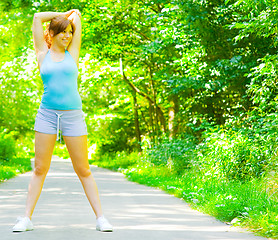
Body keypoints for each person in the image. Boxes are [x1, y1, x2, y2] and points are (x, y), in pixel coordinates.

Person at [12, 10, 113, 232]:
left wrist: (72, 17)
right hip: (47, 115)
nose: (67, 36)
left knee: (83, 169)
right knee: (40, 168)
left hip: (73, 116)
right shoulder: (42, 53)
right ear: (52, 33)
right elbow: (37, 16)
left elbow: (77, 17)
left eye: (69, 32)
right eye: (63, 32)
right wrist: (62, 13)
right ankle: (26, 218)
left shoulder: (73, 53)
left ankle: (101, 218)